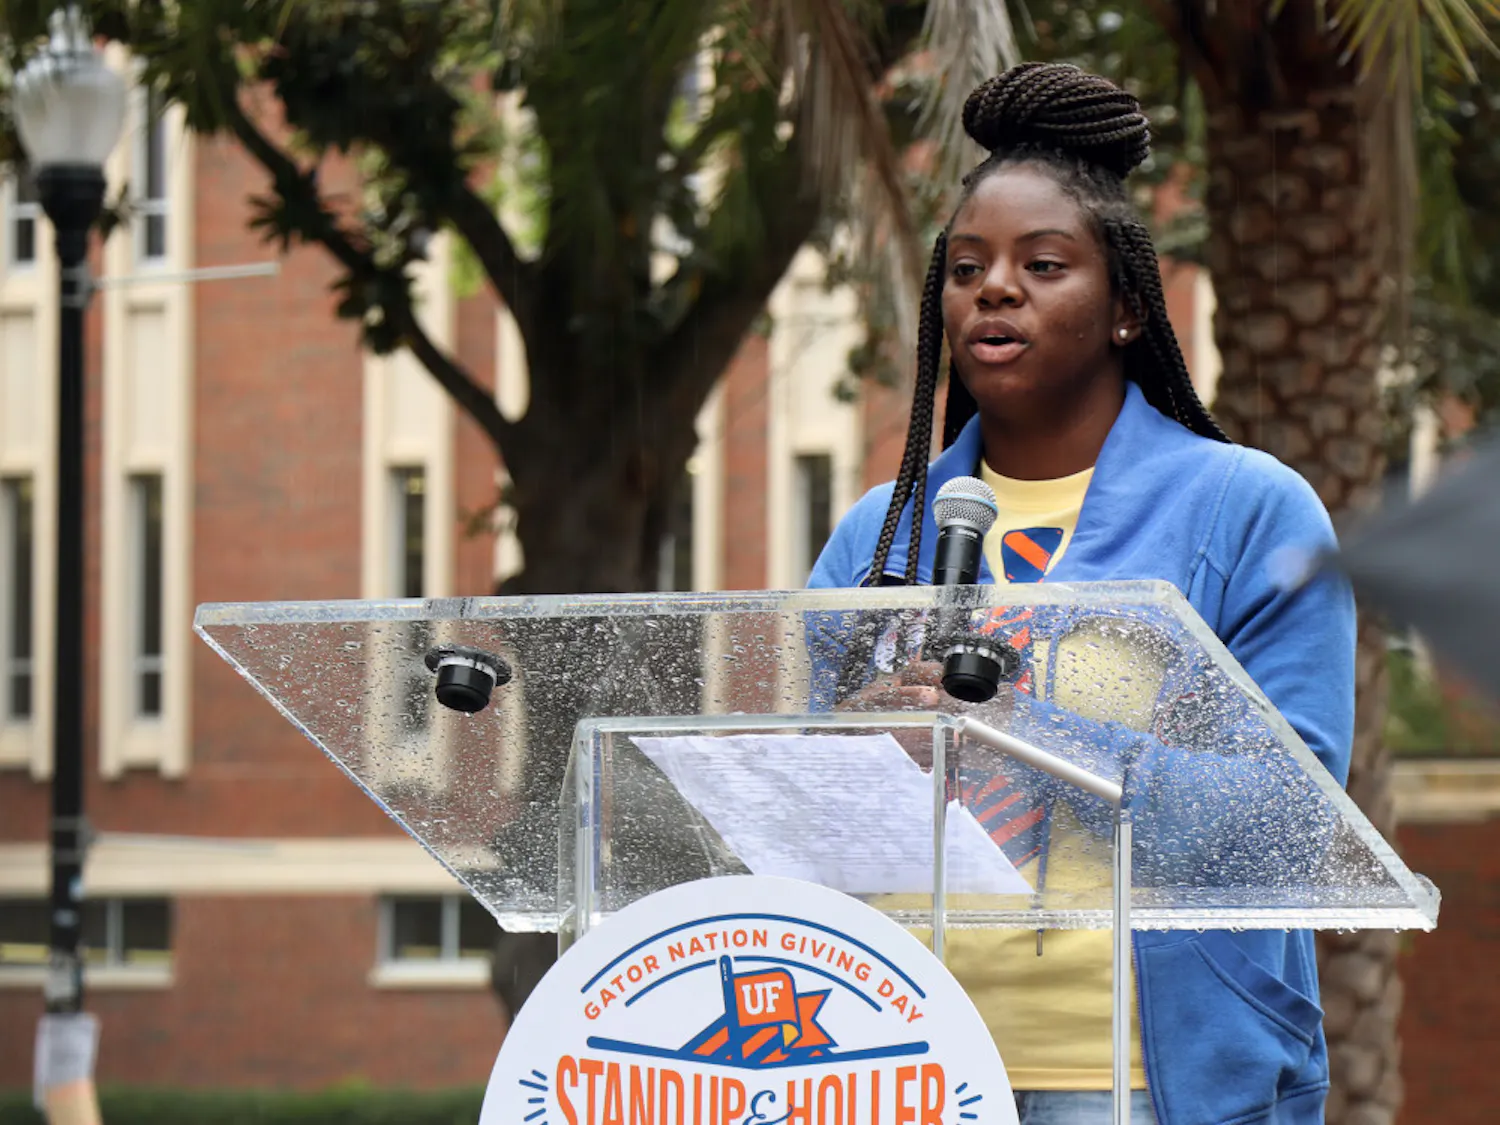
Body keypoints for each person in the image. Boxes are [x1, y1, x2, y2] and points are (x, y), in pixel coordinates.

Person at [807, 62, 1357, 1125]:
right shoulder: (880, 536)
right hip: (898, 1066)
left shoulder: (1245, 513)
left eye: (1042, 264)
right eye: (966, 268)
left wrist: (1015, 731)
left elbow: (1289, 820)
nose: (994, 289)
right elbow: (792, 797)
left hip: (1146, 1083)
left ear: (1125, 310)